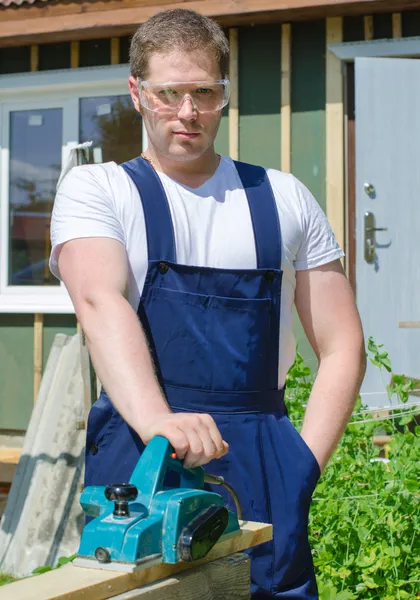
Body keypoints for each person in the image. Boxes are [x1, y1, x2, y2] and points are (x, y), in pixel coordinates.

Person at [50, 8, 366, 599]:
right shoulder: (100, 189)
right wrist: (157, 423)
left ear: (225, 93)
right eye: (169, 93)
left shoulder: (284, 197)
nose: (188, 112)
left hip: (262, 448)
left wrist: (301, 465)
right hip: (143, 449)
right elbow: (99, 301)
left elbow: (343, 342)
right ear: (137, 93)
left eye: (205, 92)